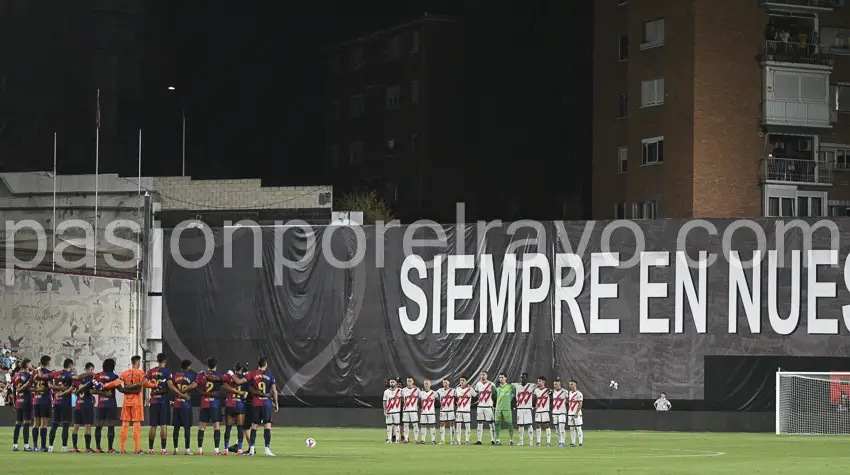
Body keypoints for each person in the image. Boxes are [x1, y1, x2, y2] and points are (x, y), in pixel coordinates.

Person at [101, 355, 156, 454]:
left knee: (125, 424)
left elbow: (116, 382)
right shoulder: (140, 373)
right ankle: (137, 449)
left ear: (132, 362)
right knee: (136, 424)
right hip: (136, 402)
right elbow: (146, 384)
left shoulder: (125, 373)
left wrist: (106, 385)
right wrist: (155, 385)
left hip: (126, 401)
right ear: (138, 362)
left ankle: (122, 448)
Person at [145, 352, 182, 455]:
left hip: (153, 400)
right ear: (165, 361)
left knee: (153, 425)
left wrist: (152, 387)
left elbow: (143, 382)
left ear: (157, 360)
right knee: (163, 425)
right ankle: (163, 449)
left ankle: (151, 449)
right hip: (163, 401)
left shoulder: (151, 371)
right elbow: (170, 385)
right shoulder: (166, 371)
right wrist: (179, 393)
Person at [245, 357, 278, 457]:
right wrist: (276, 403)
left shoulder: (253, 374)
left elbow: (248, 386)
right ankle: (267, 449)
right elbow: (274, 391)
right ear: (266, 365)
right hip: (266, 403)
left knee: (254, 426)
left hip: (256, 402)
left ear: (258, 365)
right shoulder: (270, 375)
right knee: (267, 426)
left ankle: (251, 449)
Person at [195, 357, 224, 455]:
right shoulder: (219, 375)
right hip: (215, 404)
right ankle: (216, 450)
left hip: (205, 403)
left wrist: (202, 392)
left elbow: (196, 386)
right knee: (216, 426)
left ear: (207, 365)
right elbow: (222, 388)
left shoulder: (201, 374)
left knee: (202, 426)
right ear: (216, 365)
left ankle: (200, 449)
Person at [92, 358, 120, 453]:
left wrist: (101, 392)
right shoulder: (114, 376)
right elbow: (119, 387)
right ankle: (110, 448)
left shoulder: (97, 376)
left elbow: (92, 390)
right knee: (111, 425)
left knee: (99, 425)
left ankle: (98, 448)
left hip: (101, 404)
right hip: (111, 403)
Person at [221, 363, 250, 455]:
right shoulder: (245, 379)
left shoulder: (229, 377)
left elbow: (224, 386)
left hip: (230, 404)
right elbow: (246, 393)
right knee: (240, 428)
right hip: (240, 405)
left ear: (234, 368)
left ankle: (226, 449)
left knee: (228, 428)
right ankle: (240, 450)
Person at [47, 358, 75, 452]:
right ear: (70, 366)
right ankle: (64, 447)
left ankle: (50, 447)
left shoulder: (56, 374)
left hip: (56, 402)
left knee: (54, 424)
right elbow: (71, 387)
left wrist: (54, 387)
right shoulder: (70, 375)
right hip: (65, 402)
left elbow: (48, 379)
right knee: (66, 425)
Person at [171, 359, 196, 455]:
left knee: (176, 428)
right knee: (187, 428)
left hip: (177, 404)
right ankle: (187, 450)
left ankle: (176, 449)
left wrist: (178, 394)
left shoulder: (175, 375)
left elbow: (171, 388)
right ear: (189, 366)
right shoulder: (191, 376)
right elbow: (194, 386)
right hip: (186, 405)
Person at [70, 363, 96, 453]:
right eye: (91, 370)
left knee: (76, 426)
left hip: (78, 405)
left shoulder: (77, 380)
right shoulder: (91, 379)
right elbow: (94, 390)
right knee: (87, 425)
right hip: (87, 405)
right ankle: (87, 448)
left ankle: (74, 448)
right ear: (87, 370)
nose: (92, 372)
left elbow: (72, 390)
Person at [31, 355, 54, 452]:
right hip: (45, 400)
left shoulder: (34, 373)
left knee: (36, 423)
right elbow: (50, 386)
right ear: (48, 362)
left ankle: (35, 446)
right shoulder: (49, 373)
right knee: (44, 424)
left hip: (36, 400)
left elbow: (30, 385)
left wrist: (36, 389)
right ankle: (43, 446)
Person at [12, 358, 33, 451]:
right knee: (26, 424)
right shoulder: (28, 376)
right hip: (26, 401)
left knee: (18, 424)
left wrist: (14, 402)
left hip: (18, 402)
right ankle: (26, 445)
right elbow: (30, 388)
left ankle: (15, 445)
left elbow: (13, 390)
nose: (31, 366)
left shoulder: (16, 376)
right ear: (27, 365)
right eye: (30, 364)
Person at [474, 371, 495, 445]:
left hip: (488, 406)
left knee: (491, 423)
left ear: (487, 376)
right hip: (480, 406)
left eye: (484, 375)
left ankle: (493, 440)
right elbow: (477, 394)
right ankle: (479, 440)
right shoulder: (478, 384)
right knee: (479, 423)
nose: (482, 376)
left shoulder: (491, 384)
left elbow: (495, 394)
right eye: (481, 375)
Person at [514, 372, 535, 446]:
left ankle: (531, 441)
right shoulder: (516, 385)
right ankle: (521, 441)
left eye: (524, 377)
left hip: (527, 408)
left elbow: (541, 387)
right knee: (520, 425)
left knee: (529, 425)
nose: (522, 378)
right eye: (521, 377)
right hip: (519, 408)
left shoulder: (531, 386)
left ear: (527, 378)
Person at [494, 373, 515, 446]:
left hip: (507, 408)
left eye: (502, 377)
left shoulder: (510, 386)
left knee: (509, 424)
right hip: (498, 409)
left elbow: (515, 394)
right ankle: (497, 440)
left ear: (506, 378)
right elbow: (493, 396)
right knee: (497, 424)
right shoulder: (497, 387)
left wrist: (511, 402)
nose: (500, 379)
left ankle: (511, 440)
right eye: (499, 377)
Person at [454, 376, 476, 445]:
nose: (461, 382)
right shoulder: (457, 389)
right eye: (460, 380)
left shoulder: (470, 389)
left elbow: (476, 396)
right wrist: (456, 403)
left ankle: (467, 440)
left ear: (466, 381)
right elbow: (455, 398)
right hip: (459, 410)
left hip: (466, 411)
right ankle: (458, 440)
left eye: (463, 380)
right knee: (458, 426)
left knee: (467, 426)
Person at [382, 378, 402, 444]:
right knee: (389, 425)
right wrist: (385, 410)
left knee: (397, 425)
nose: (392, 383)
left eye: (393, 382)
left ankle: (397, 440)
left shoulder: (400, 390)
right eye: (391, 382)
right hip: (389, 411)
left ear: (396, 383)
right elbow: (384, 401)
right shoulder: (386, 391)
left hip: (397, 411)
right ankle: (389, 439)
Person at [435, 378, 455, 444]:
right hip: (443, 410)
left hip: (451, 410)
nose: (445, 384)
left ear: (449, 383)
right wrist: (439, 399)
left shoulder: (453, 390)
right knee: (442, 424)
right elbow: (434, 395)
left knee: (451, 424)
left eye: (446, 382)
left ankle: (452, 440)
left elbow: (458, 396)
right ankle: (442, 440)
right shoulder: (439, 390)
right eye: (444, 382)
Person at [401, 377, 420, 444]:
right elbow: (402, 399)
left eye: (410, 381)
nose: (409, 382)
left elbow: (420, 398)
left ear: (413, 382)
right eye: (408, 381)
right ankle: (406, 439)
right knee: (406, 425)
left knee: (415, 425)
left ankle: (416, 439)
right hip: (406, 410)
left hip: (413, 410)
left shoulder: (417, 390)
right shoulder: (403, 390)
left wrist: (417, 405)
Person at [418, 379, 437, 444]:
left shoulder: (434, 393)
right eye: (425, 384)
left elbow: (438, 402)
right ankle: (423, 440)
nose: (426, 385)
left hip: (431, 412)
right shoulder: (421, 393)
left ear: (430, 384)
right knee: (423, 426)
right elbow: (419, 402)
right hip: (423, 412)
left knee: (432, 426)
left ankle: (433, 440)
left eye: (427, 384)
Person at [534, 376, 551, 447]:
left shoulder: (548, 390)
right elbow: (535, 399)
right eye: (538, 381)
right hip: (538, 410)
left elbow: (553, 398)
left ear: (543, 382)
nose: (538, 382)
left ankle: (548, 442)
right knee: (538, 426)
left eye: (539, 381)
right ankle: (538, 442)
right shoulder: (536, 390)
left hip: (545, 410)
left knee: (547, 426)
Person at [551, 378, 568, 447]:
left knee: (561, 427)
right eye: (554, 384)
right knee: (557, 429)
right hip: (555, 412)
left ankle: (563, 442)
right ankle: (559, 441)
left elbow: (568, 401)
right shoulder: (553, 392)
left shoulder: (565, 391)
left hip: (562, 412)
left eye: (556, 384)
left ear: (559, 384)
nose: (554, 385)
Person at [567, 379, 584, 447]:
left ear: (575, 385)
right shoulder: (570, 393)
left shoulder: (579, 393)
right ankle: (573, 442)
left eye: (571, 384)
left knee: (578, 428)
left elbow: (580, 403)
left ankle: (580, 443)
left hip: (576, 414)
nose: (570, 386)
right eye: (570, 384)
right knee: (571, 428)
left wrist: (577, 412)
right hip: (570, 413)